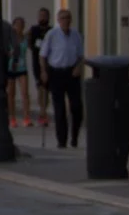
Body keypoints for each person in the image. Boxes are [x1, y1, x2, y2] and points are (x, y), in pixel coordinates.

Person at [39, 10, 85, 149]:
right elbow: (43, 55)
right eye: (63, 18)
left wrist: (79, 67)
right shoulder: (52, 34)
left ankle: (74, 137)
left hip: (72, 73)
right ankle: (62, 140)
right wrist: (44, 71)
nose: (66, 21)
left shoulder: (76, 34)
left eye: (68, 18)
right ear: (59, 20)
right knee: (59, 109)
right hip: (56, 73)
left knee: (76, 107)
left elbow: (81, 56)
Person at [29, 8, 52, 127]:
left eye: (45, 15)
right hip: (37, 61)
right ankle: (42, 112)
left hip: (50, 62)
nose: (43, 17)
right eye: (41, 15)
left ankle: (44, 111)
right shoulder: (34, 30)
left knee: (46, 87)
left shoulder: (51, 30)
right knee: (40, 86)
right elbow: (30, 44)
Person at [7, 17, 31, 127]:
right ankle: (12, 118)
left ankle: (26, 118)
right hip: (11, 67)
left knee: (25, 93)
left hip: (22, 68)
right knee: (11, 94)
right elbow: (5, 52)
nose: (18, 27)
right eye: (16, 25)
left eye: (21, 25)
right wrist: (9, 53)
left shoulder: (25, 38)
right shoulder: (9, 39)